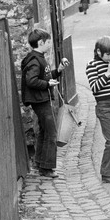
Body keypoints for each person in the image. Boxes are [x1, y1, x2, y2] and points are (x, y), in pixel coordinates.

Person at [21, 28, 70, 178]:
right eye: (48, 42)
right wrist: (47, 84)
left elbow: (46, 76)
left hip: (41, 98)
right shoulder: (35, 60)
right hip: (39, 100)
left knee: (44, 131)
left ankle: (40, 163)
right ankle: (46, 168)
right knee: (51, 132)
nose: (49, 45)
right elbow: (32, 80)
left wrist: (58, 71)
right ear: (41, 42)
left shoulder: (39, 57)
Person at [86, 36, 110, 184]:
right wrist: (107, 73)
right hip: (104, 106)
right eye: (108, 54)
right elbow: (95, 88)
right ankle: (107, 174)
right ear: (98, 52)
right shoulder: (92, 66)